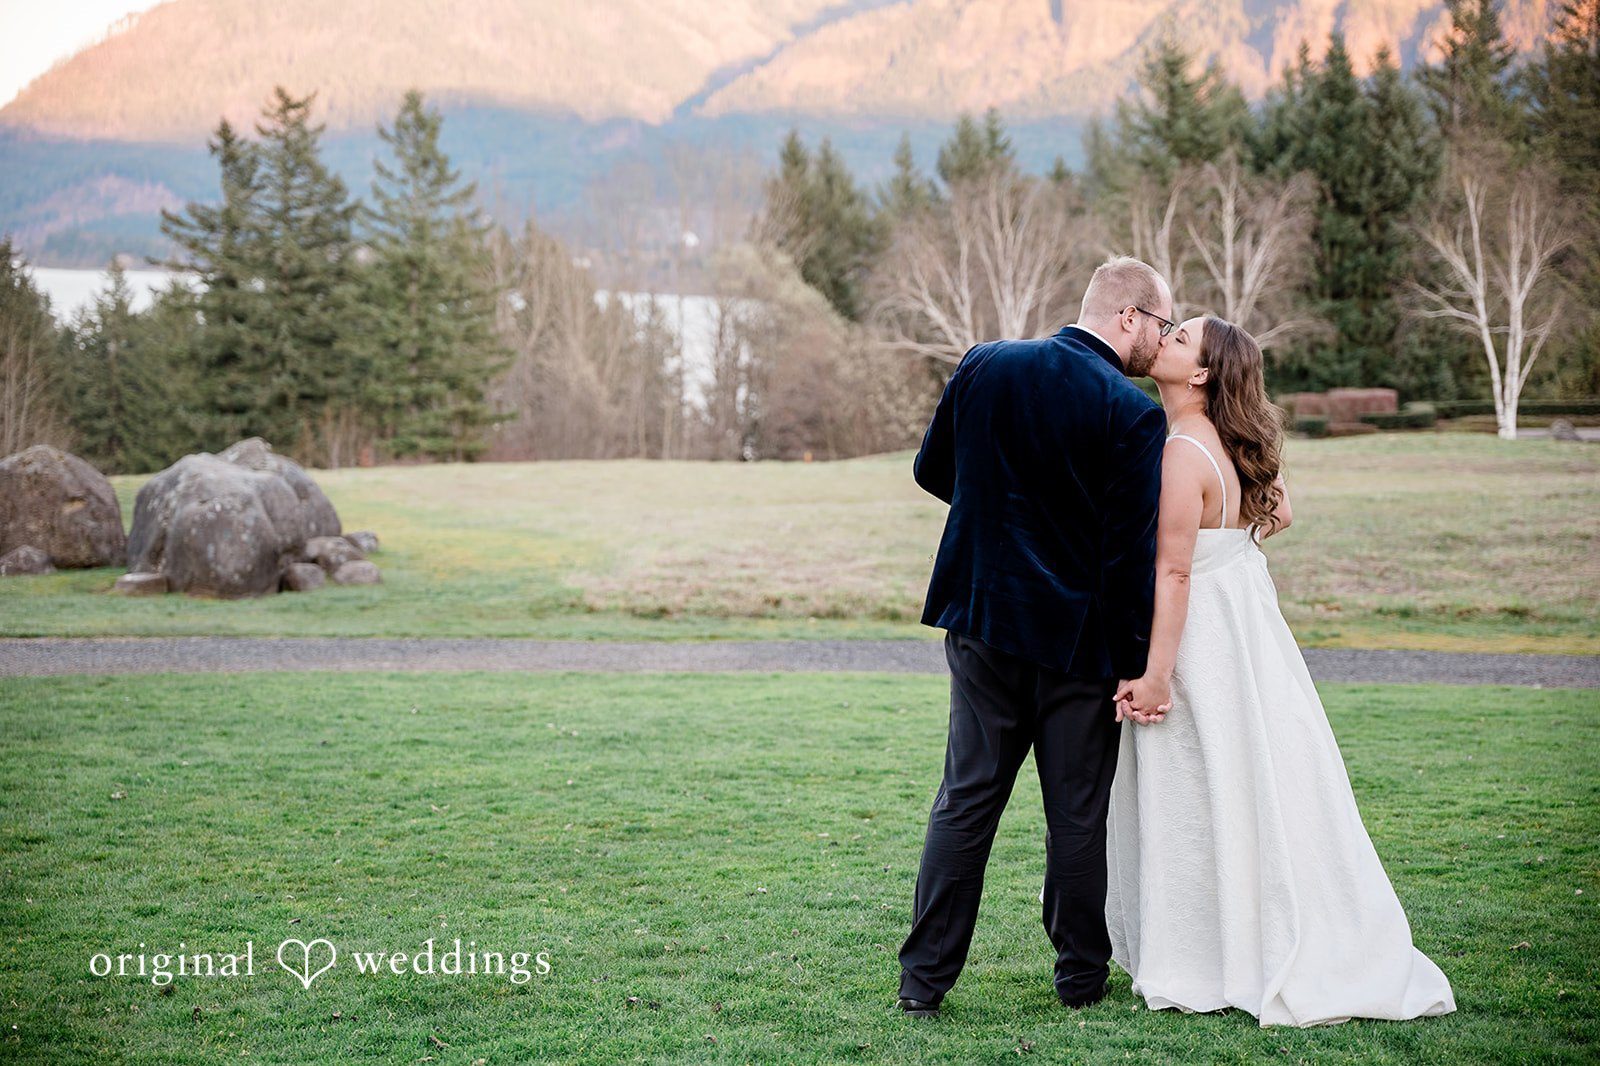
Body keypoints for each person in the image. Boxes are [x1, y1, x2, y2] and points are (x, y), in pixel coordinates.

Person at [1105, 315, 1457, 1027]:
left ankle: (1208, 957)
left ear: (1201, 374)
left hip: (1201, 637)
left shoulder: (1181, 452)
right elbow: (1281, 512)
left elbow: (1173, 572)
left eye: (1179, 338)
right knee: (1253, 777)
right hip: (1249, 628)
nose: (1164, 339)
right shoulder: (1234, 442)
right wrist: (1231, 553)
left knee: (1200, 786)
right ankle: (1247, 937)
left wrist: (1158, 676)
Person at [897, 256, 1172, 1018]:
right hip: (1078, 647)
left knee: (965, 800)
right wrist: (1132, 663)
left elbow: (931, 470)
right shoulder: (1132, 412)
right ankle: (1080, 980)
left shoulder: (986, 364)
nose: (1164, 339)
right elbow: (1126, 557)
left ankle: (923, 984)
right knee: (1076, 815)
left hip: (982, 623)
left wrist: (999, 510)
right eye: (1161, 324)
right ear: (1127, 318)